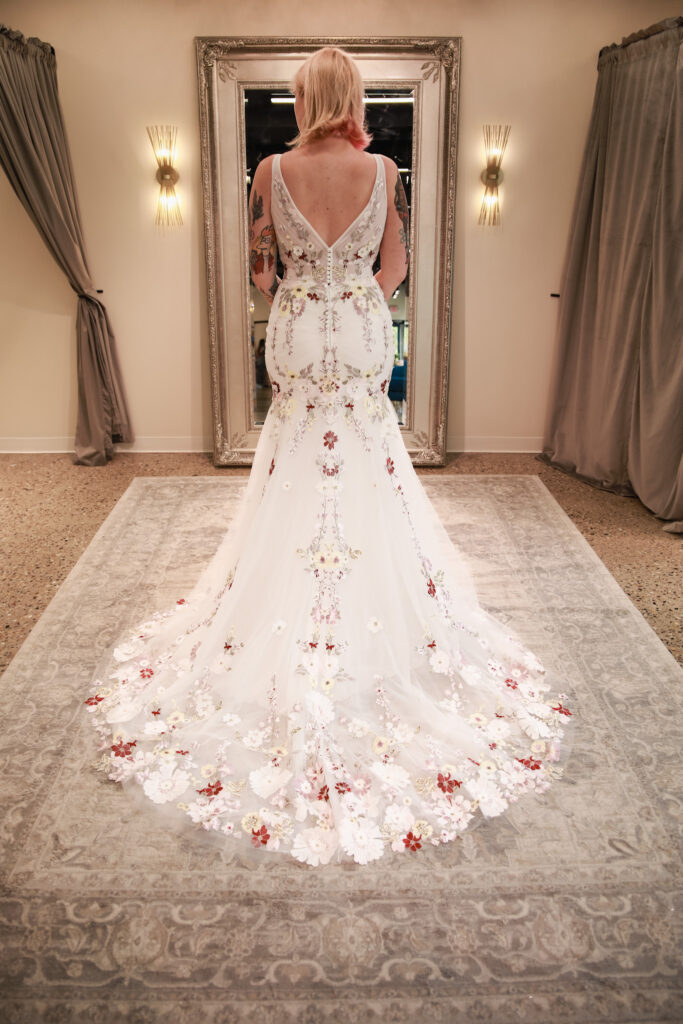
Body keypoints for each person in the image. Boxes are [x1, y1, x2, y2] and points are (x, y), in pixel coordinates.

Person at [84, 46, 577, 868]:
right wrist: (353, 297)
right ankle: (371, 599)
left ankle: (281, 598)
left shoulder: (268, 168)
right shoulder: (383, 169)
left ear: (301, 96)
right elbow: (396, 266)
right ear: (350, 96)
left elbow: (259, 265)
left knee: (290, 458)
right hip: (354, 327)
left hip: (296, 325)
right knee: (365, 456)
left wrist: (296, 297)